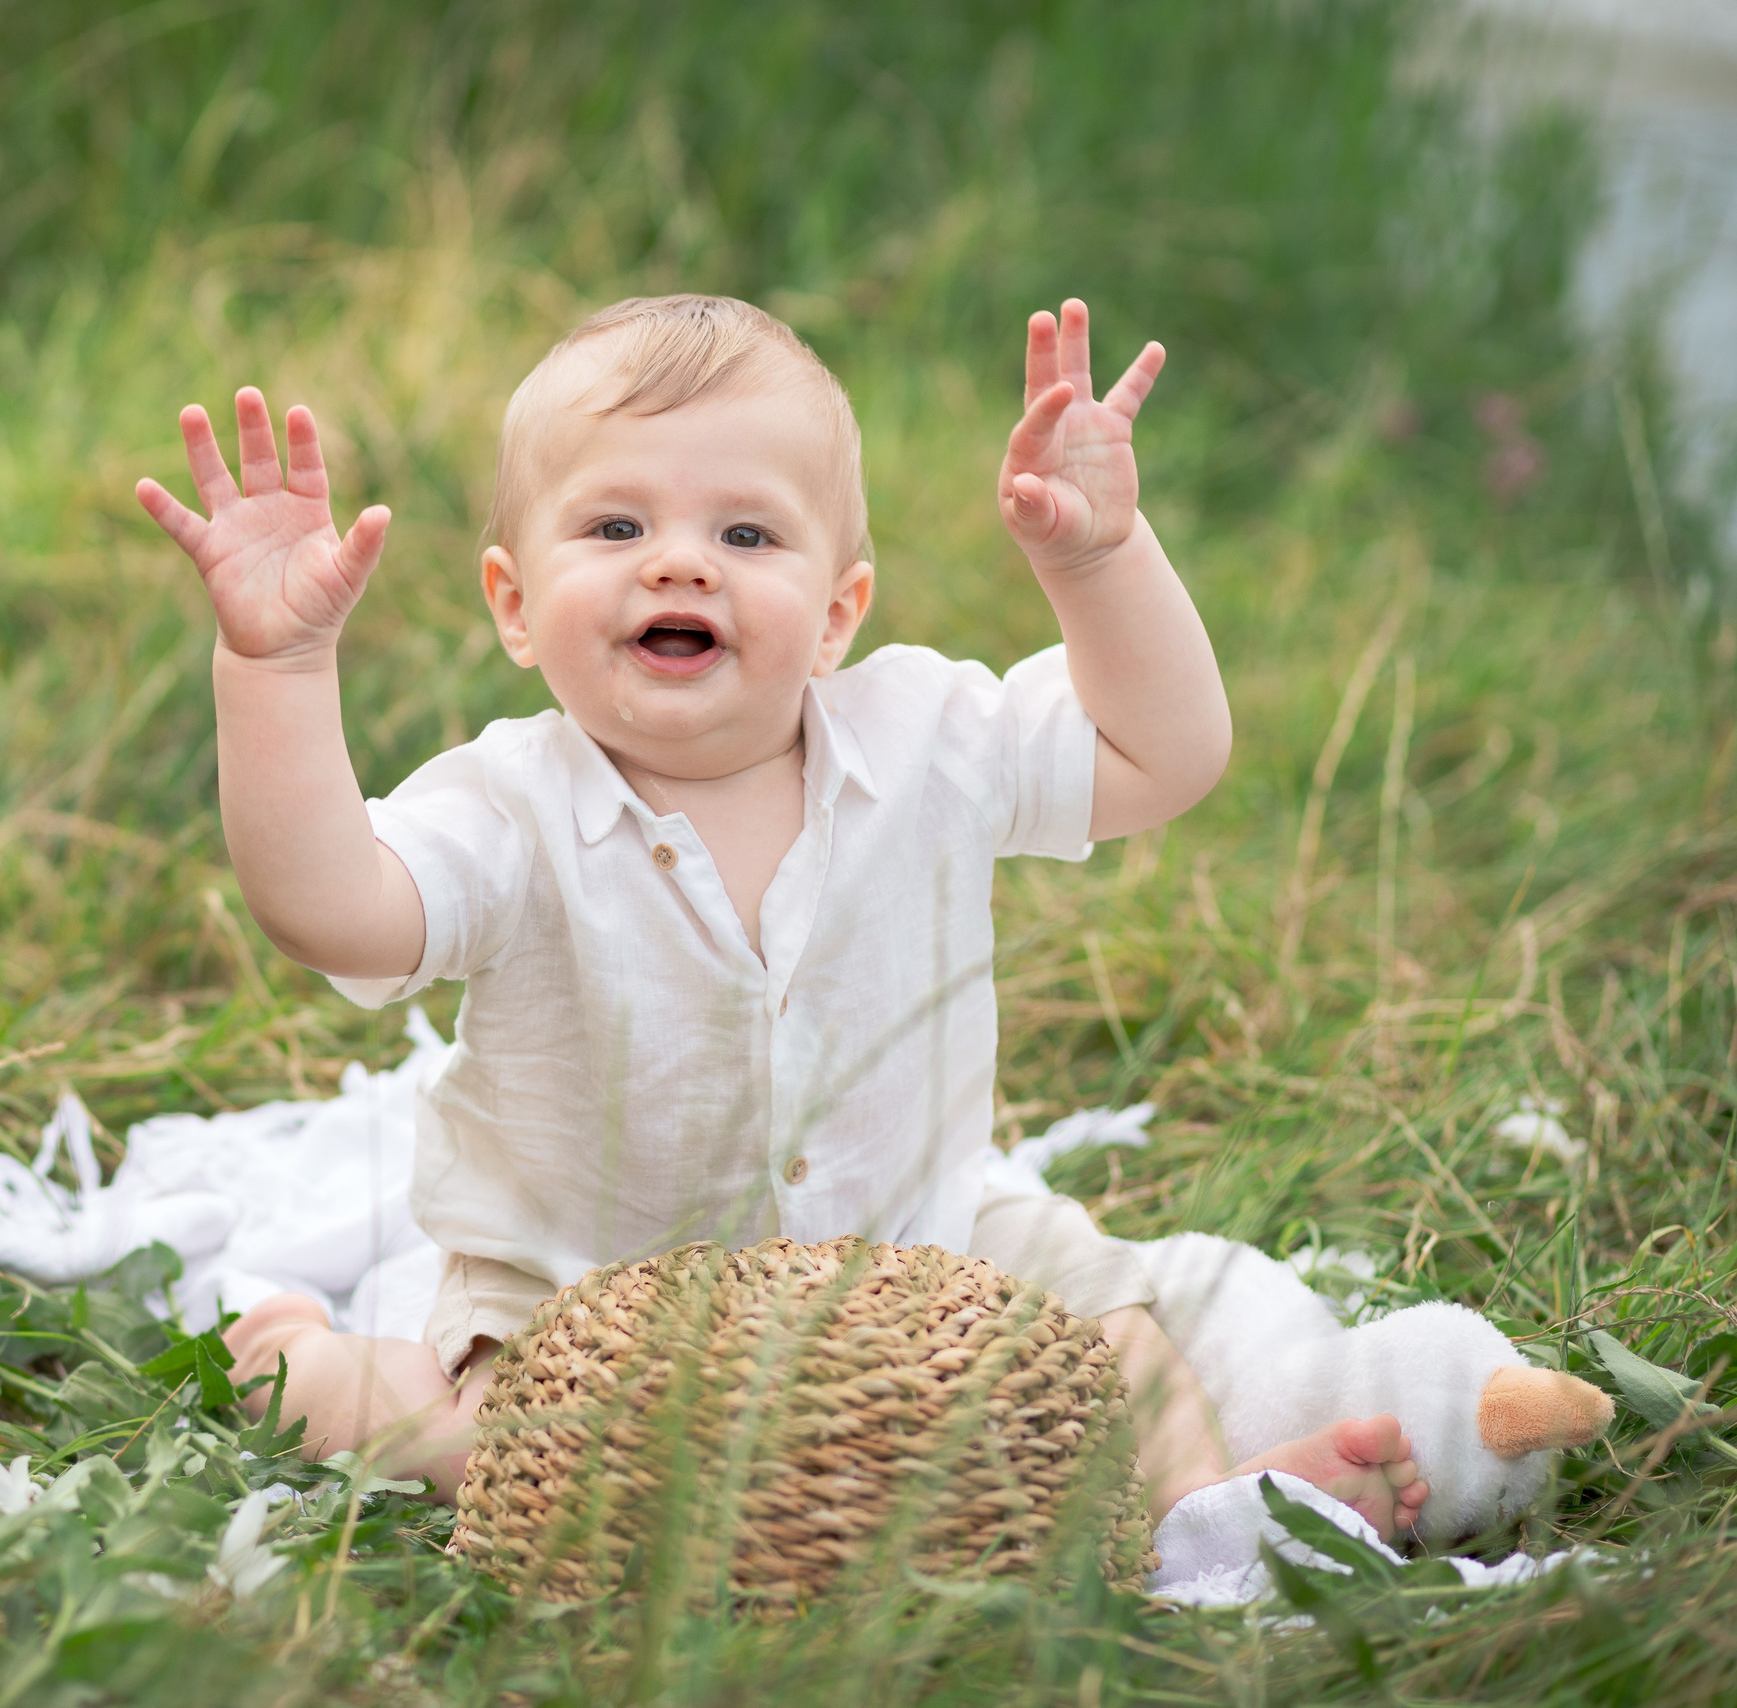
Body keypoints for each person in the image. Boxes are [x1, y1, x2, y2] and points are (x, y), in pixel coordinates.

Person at [134, 294, 1429, 1539]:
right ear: (516, 605)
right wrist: (278, 668)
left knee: (1108, 1328)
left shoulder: (929, 740)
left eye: (747, 537)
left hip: (914, 1246)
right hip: (587, 1297)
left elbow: (1169, 755)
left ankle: (1207, 1529)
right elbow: (330, 911)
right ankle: (300, 1361)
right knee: (522, 1466)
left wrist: (1098, 559)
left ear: (838, 614)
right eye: (616, 527)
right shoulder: (511, 809)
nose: (682, 560)